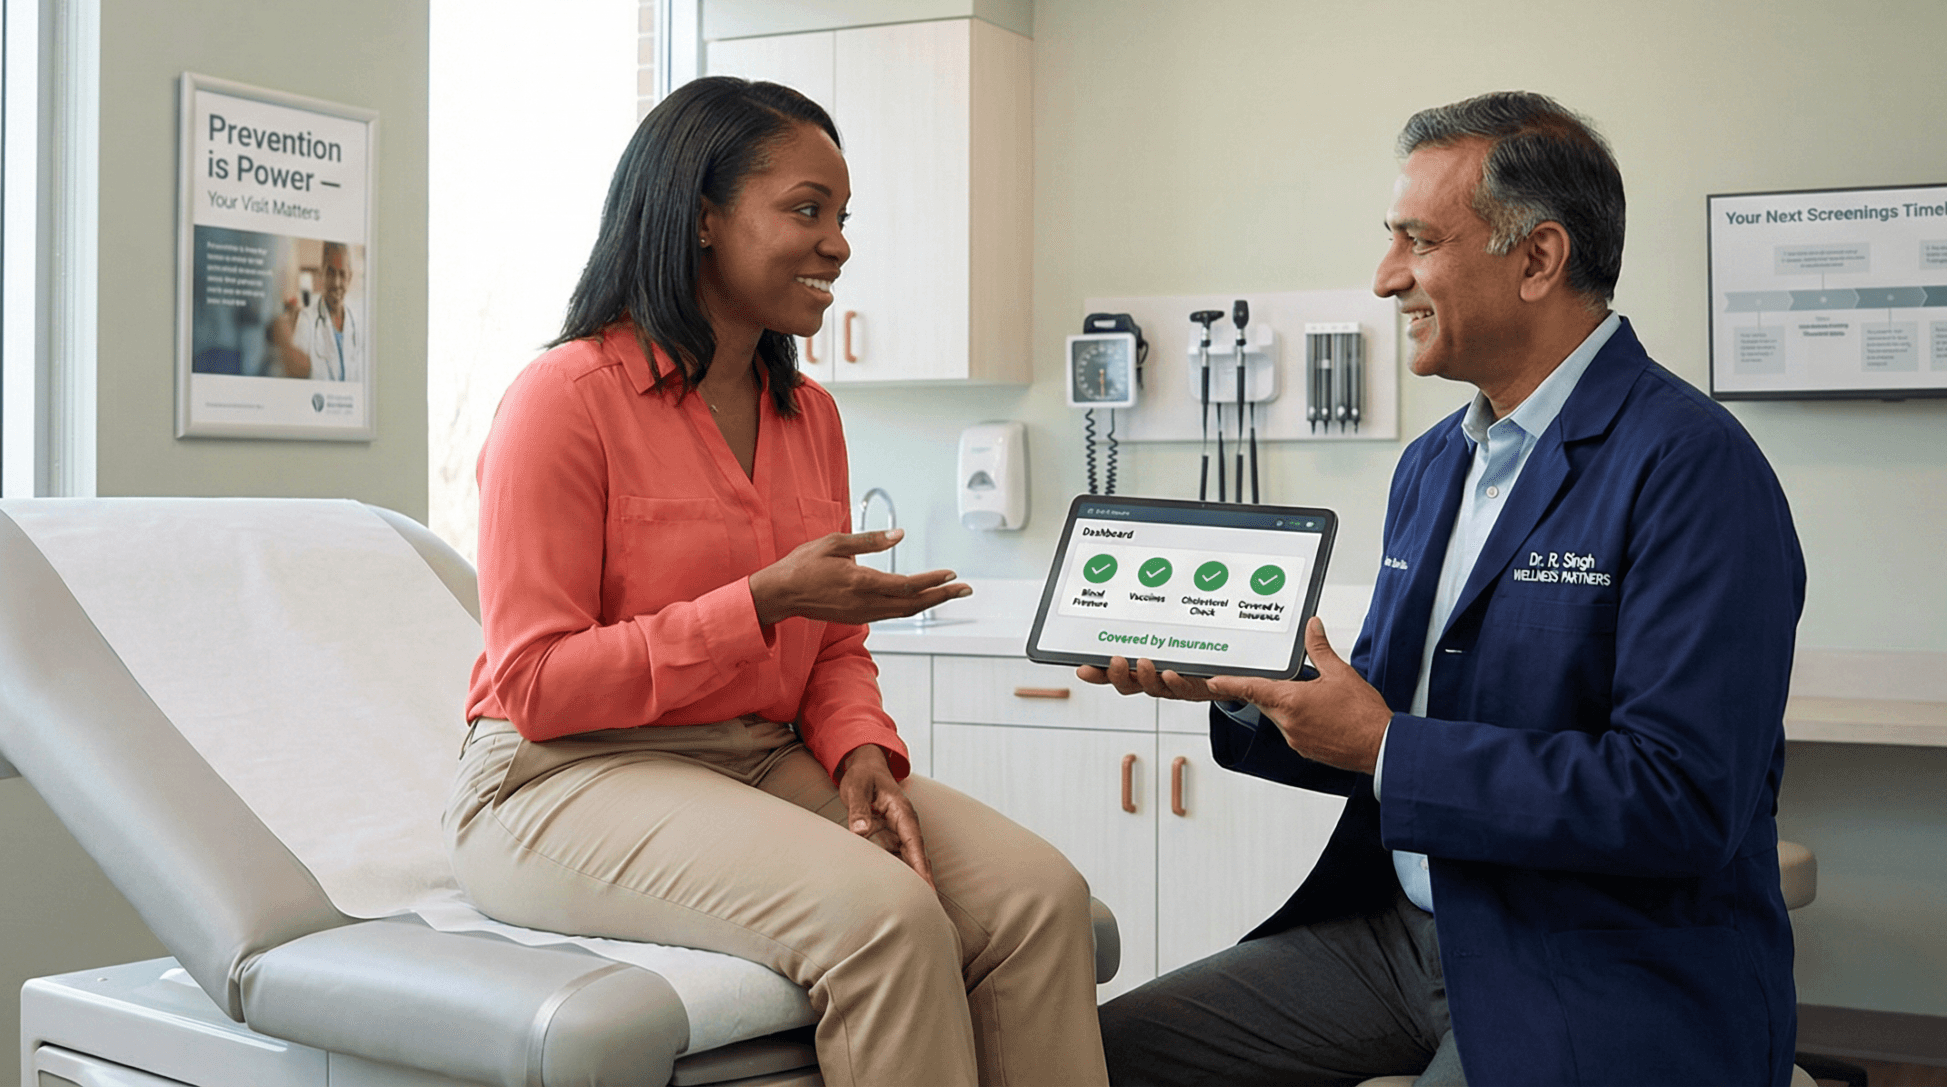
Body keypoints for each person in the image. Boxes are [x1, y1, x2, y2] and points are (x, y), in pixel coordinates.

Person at [1083, 92, 1805, 1086]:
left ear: (1538, 258)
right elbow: (1382, 708)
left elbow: (1679, 801)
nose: (1385, 279)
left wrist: (1387, 745)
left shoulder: (1689, 467)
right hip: (1405, 932)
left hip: (1597, 952)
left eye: (1416, 241)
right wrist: (1241, 682)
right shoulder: (1435, 464)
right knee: (1088, 1059)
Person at [448, 77, 1109, 1087]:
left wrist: (860, 754)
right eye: (806, 209)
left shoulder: (810, 418)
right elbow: (536, 684)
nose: (837, 243)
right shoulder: (564, 400)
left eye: (842, 217)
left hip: (759, 756)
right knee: (884, 919)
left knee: (1039, 899)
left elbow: (833, 648)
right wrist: (759, 601)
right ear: (701, 215)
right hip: (561, 776)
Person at [273, 240, 363, 381]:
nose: (336, 282)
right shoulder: (306, 319)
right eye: (331, 273)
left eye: (342, 274)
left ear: (349, 277)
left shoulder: (358, 323)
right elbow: (295, 375)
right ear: (322, 274)